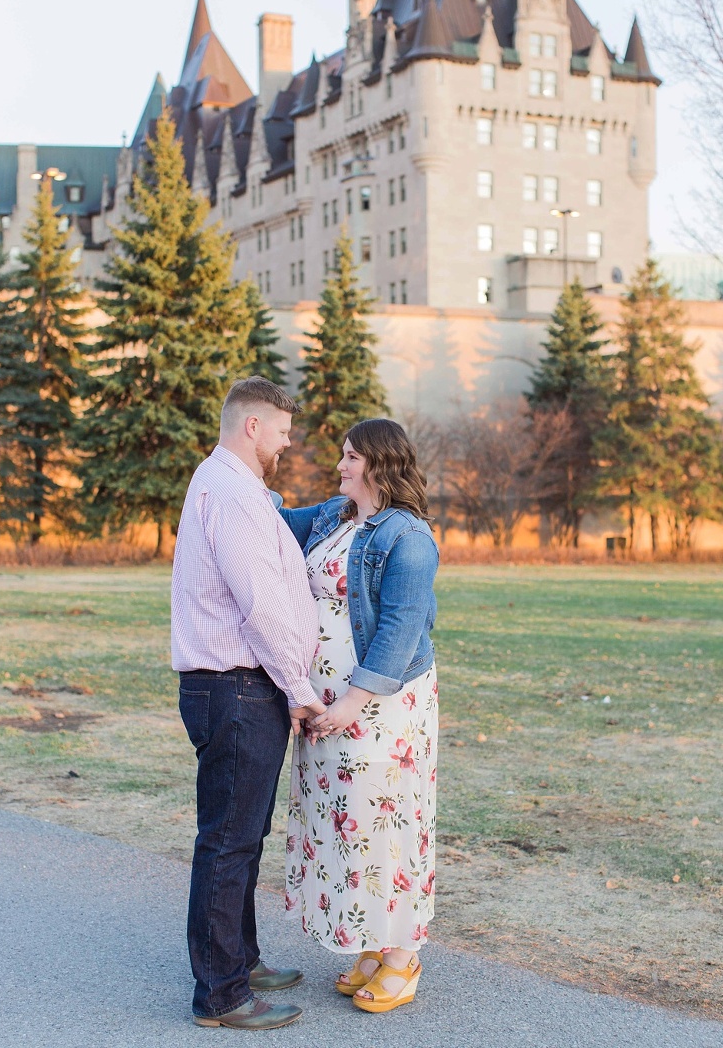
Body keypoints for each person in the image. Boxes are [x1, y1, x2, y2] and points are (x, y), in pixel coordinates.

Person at [171, 376, 326, 1031]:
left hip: (238, 687)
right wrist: (299, 688)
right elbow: (261, 605)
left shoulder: (236, 486)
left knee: (242, 837)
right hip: (237, 687)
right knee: (229, 842)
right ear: (252, 426)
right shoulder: (233, 493)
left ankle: (241, 960)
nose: (287, 444)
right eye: (283, 432)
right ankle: (222, 995)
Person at [280, 418, 439, 1014]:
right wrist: (234, 473)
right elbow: (272, 518)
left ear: (379, 462)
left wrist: (352, 701)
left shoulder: (409, 536)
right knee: (347, 823)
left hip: (381, 708)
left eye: (351, 457)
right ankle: (374, 943)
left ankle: (404, 955)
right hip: (326, 709)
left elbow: (401, 628)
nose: (340, 465)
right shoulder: (334, 516)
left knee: (387, 820)